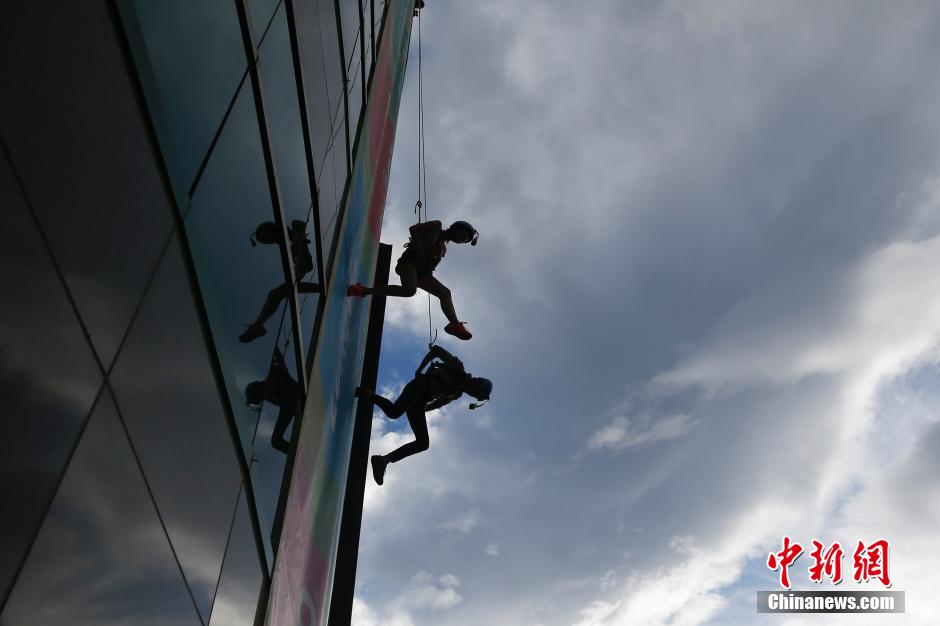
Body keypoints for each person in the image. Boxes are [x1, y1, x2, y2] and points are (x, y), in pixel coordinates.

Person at [357, 344, 492, 485]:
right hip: (419, 386)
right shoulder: (458, 368)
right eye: (476, 393)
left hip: (420, 402)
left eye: (475, 396)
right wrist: (419, 370)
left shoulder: (456, 394)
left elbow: (437, 404)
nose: (472, 395)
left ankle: (382, 461)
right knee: (394, 412)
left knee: (423, 443)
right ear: (476, 384)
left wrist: (423, 410)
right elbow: (436, 350)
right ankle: (368, 394)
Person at [347, 220, 478, 340]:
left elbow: (428, 269)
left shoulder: (442, 249)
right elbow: (413, 229)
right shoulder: (436, 226)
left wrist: (432, 258)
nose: (462, 239)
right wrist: (420, 251)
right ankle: (364, 291)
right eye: (463, 235)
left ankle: (455, 324)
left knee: (445, 293)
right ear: (457, 227)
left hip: (420, 272)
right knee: (409, 290)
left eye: (464, 240)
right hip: (409, 261)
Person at [240, 220, 320, 343]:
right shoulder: (286, 244)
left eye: (265, 237)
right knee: (278, 293)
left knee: (278, 293)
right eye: (265, 241)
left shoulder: (291, 233)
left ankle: (257, 326)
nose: (268, 241)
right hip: (301, 265)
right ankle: (257, 326)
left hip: (303, 263)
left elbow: (298, 224)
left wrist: (296, 240)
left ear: (272, 229)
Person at [245, 348, 301, 453]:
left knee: (276, 441)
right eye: (260, 399)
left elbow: (278, 359)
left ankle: (299, 452)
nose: (262, 399)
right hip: (289, 408)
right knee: (275, 441)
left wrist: (275, 353)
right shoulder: (267, 394)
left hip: (298, 399)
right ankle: (298, 453)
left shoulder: (275, 373)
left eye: (259, 397)